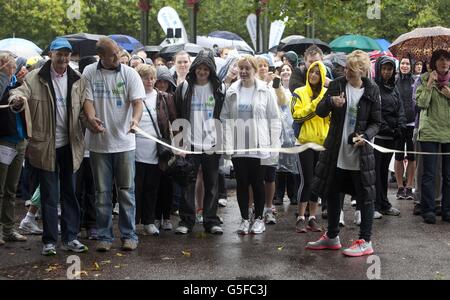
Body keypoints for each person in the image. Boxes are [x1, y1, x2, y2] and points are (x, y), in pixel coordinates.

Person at [9, 38, 88, 256]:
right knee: (49, 196)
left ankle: (70, 237)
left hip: (71, 145)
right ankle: (50, 241)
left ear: (70, 56)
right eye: (58, 54)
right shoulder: (36, 77)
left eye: (66, 54)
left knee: (71, 193)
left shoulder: (78, 79)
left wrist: (90, 120)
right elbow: (19, 93)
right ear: (51, 55)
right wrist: (16, 98)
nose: (63, 58)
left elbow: (82, 107)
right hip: (45, 146)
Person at [307, 50, 381, 257]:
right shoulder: (337, 84)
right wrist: (331, 102)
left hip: (360, 153)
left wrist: (365, 136)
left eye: (350, 68)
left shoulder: (372, 90)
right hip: (336, 150)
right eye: (346, 67)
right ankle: (332, 236)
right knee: (332, 191)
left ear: (361, 71)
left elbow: (377, 122)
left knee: (365, 196)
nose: (346, 71)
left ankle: (366, 241)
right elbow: (320, 111)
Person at [83, 37, 145, 251]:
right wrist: (91, 118)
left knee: (127, 191)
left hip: (125, 143)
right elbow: (87, 102)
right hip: (99, 145)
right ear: (101, 56)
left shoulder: (130, 73)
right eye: (112, 54)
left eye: (118, 51)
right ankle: (104, 236)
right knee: (102, 194)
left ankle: (129, 235)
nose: (117, 56)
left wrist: (135, 120)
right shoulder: (90, 72)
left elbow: (138, 102)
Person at [221, 55, 281, 235]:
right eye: (241, 68)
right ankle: (245, 219)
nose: (244, 71)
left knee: (257, 182)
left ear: (255, 70)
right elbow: (224, 117)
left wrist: (273, 145)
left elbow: (274, 118)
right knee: (242, 183)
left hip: (259, 145)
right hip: (239, 145)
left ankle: (259, 219)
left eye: (248, 68)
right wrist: (227, 142)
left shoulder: (266, 90)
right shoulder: (232, 90)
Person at [174, 49, 224, 235]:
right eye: (199, 68)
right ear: (194, 69)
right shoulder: (185, 88)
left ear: (211, 70)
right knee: (188, 183)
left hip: (212, 143)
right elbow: (177, 116)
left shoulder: (219, 89)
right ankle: (187, 220)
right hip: (190, 143)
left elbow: (223, 115)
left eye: (206, 69)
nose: (202, 72)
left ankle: (211, 220)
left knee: (212, 183)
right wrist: (180, 143)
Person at [134, 64, 176, 235]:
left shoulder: (163, 97)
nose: (150, 81)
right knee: (135, 187)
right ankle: (133, 221)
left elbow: (174, 120)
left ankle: (149, 221)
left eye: (152, 78)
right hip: (135, 148)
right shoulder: (133, 96)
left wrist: (179, 145)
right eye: (145, 78)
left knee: (152, 187)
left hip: (156, 150)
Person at [291, 61, 329, 233]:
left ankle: (313, 217)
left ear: (322, 76)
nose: (313, 75)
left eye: (317, 73)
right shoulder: (299, 92)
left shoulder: (326, 94)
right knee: (307, 180)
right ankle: (300, 217)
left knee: (317, 182)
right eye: (311, 72)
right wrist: (316, 105)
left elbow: (329, 119)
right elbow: (297, 116)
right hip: (304, 143)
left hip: (321, 144)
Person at [415, 49, 450, 224]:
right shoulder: (423, 79)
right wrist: (429, 84)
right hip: (429, 132)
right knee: (429, 173)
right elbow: (421, 104)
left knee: (448, 174)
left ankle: (447, 209)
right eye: (440, 59)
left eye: (447, 60)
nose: (444, 63)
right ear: (434, 62)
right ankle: (427, 209)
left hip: (448, 132)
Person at [0, 53, 30, 246]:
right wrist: (4, 76)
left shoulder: (16, 82)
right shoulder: (3, 82)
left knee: (11, 189)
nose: (15, 67)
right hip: (4, 141)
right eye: (12, 64)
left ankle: (8, 229)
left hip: (19, 141)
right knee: (0, 189)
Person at [373, 56, 404, 218]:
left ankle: (384, 203)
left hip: (392, 137)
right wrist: (387, 128)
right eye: (384, 69)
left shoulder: (394, 87)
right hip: (378, 137)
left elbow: (401, 109)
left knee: (384, 170)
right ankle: (375, 205)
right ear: (379, 70)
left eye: (390, 69)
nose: (387, 72)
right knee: (376, 171)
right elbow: (376, 111)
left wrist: (400, 126)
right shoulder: (374, 87)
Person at [394, 57, 417, 201]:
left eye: (407, 63)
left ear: (411, 66)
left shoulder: (416, 80)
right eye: (402, 63)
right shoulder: (394, 80)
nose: (405, 66)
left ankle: (409, 187)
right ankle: (399, 187)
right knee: (398, 156)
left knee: (412, 156)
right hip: (398, 124)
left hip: (413, 123)